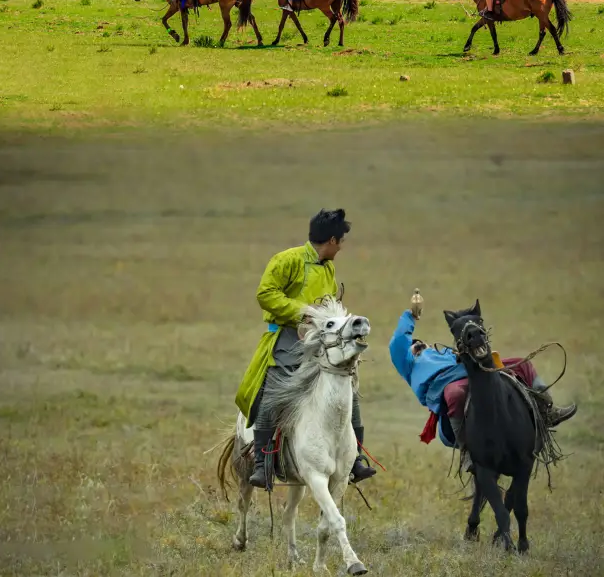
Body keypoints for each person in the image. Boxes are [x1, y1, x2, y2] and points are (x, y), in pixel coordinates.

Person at [235, 209, 376, 490]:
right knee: (272, 393)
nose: (342, 247)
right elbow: (266, 294)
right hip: (287, 340)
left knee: (349, 391)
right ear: (333, 240)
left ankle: (355, 458)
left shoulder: (328, 268)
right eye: (341, 242)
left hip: (321, 343)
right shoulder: (287, 260)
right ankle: (262, 465)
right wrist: (303, 313)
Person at [389, 294, 577, 469]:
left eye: (423, 343)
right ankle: (467, 452)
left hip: (474, 371)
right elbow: (398, 342)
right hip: (445, 385)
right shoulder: (409, 365)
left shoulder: (445, 353)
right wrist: (411, 316)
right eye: (415, 346)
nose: (419, 345)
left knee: (522, 364)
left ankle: (547, 410)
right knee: (455, 394)